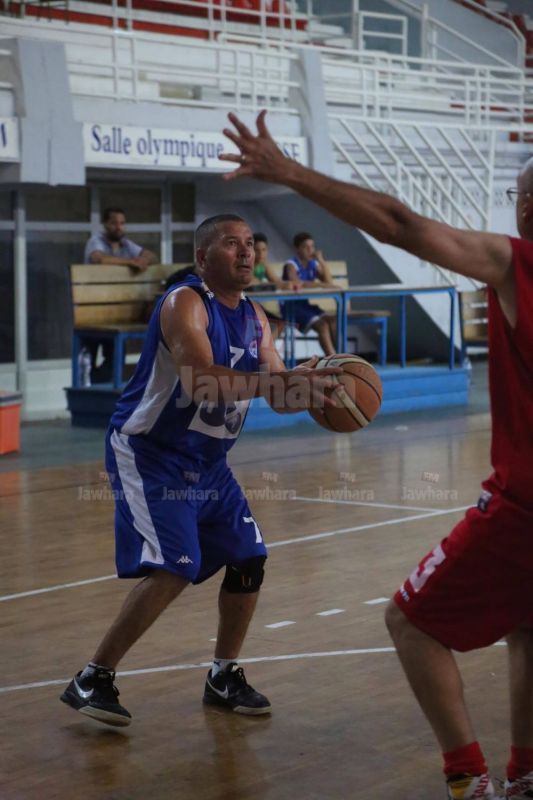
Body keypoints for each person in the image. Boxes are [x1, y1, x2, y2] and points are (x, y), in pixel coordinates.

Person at [219, 111, 533, 799]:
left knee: (410, 623)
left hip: (524, 508)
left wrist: (288, 172)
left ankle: (468, 781)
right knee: (526, 625)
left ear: (527, 208)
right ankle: (527, 774)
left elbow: (398, 223)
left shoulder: (517, 262)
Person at [61, 213, 341, 728]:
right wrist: (277, 383)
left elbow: (279, 395)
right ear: (202, 258)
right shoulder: (185, 302)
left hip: (209, 462)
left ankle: (223, 675)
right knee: (175, 566)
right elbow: (202, 382)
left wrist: (313, 388)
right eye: (231, 244)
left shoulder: (257, 318)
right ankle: (92, 677)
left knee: (249, 558)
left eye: (249, 244)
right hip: (151, 453)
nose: (246, 252)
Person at [83, 208, 159, 383]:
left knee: (114, 359)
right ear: (105, 224)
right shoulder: (96, 241)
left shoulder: (127, 245)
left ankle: (103, 385)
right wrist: (131, 262)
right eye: (114, 223)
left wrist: (143, 260)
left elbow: (152, 256)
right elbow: (99, 259)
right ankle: (94, 387)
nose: (119, 227)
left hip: (117, 312)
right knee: (88, 360)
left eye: (122, 223)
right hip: (91, 311)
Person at [282, 231, 339, 356]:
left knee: (333, 321)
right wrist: (320, 285)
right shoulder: (291, 265)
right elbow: (296, 283)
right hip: (291, 307)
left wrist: (321, 261)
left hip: (306, 305)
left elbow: (328, 283)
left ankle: (341, 356)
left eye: (312, 246)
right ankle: (332, 358)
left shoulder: (313, 263)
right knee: (322, 326)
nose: (310, 250)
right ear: (297, 249)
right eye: (305, 247)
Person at [251, 232, 288, 339]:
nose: (261, 254)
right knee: (265, 326)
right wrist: (274, 285)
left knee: (280, 323)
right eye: (257, 250)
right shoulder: (247, 264)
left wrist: (289, 284)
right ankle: (263, 348)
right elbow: (251, 282)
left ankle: (267, 348)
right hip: (243, 306)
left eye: (264, 250)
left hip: (255, 305)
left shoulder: (263, 265)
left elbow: (278, 282)